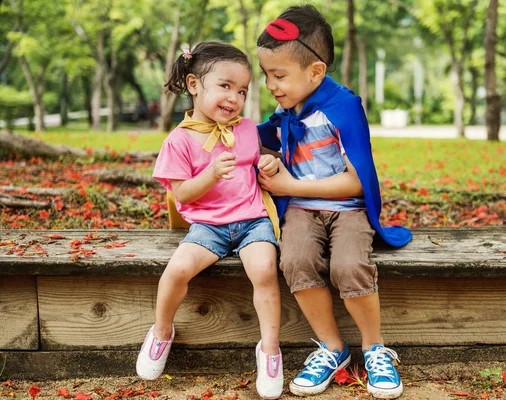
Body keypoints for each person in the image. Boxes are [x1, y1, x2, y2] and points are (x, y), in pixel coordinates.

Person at [256, 5, 412, 399]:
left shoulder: (343, 107)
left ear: (315, 72)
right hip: (304, 213)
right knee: (295, 260)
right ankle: (333, 348)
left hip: (348, 210)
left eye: (279, 76)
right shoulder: (288, 106)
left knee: (348, 265)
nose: (271, 85)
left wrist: (290, 184)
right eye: (266, 75)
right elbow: (268, 138)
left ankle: (375, 348)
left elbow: (356, 181)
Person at [136, 41, 284, 400]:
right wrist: (212, 175)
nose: (234, 97)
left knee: (264, 269)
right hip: (208, 227)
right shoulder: (179, 140)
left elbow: (261, 157)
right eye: (225, 86)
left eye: (242, 90)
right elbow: (181, 194)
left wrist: (271, 163)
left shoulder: (247, 128)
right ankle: (161, 331)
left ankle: (270, 350)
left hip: (252, 220)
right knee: (176, 270)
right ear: (193, 85)